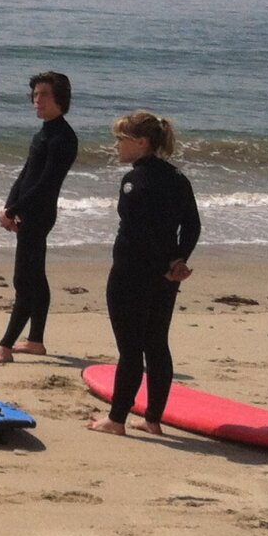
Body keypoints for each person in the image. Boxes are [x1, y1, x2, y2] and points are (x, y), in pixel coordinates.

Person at [88, 110, 199, 438]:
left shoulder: (134, 181)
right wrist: (177, 261)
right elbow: (192, 224)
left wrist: (163, 265)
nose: (116, 146)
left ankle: (117, 420)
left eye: (121, 139)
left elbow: (139, 233)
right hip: (166, 278)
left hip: (132, 274)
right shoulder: (177, 178)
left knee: (130, 349)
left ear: (141, 142)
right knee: (157, 344)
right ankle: (152, 419)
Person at [0, 71, 79, 364]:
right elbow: (26, 174)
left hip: (39, 214)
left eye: (44, 95)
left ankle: (5, 346)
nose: (37, 100)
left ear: (60, 98)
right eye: (34, 95)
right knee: (35, 276)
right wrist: (10, 205)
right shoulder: (43, 133)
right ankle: (35, 340)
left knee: (24, 280)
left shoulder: (63, 137)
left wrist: (14, 211)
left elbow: (46, 183)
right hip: (27, 211)